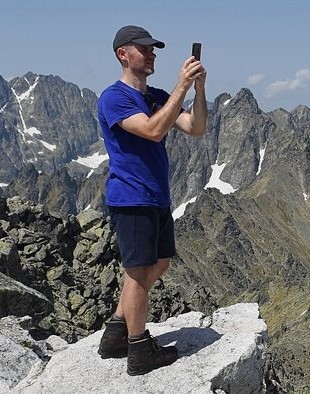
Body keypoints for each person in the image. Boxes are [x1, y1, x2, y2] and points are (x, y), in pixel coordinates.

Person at [96, 25, 207, 376]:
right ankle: (139, 349)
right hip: (131, 197)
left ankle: (116, 330)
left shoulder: (157, 95)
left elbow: (196, 127)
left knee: (158, 264)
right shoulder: (114, 98)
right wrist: (182, 86)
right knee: (139, 272)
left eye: (153, 49)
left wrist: (199, 89)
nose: (152, 54)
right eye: (144, 49)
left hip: (156, 196)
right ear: (123, 55)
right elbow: (153, 130)